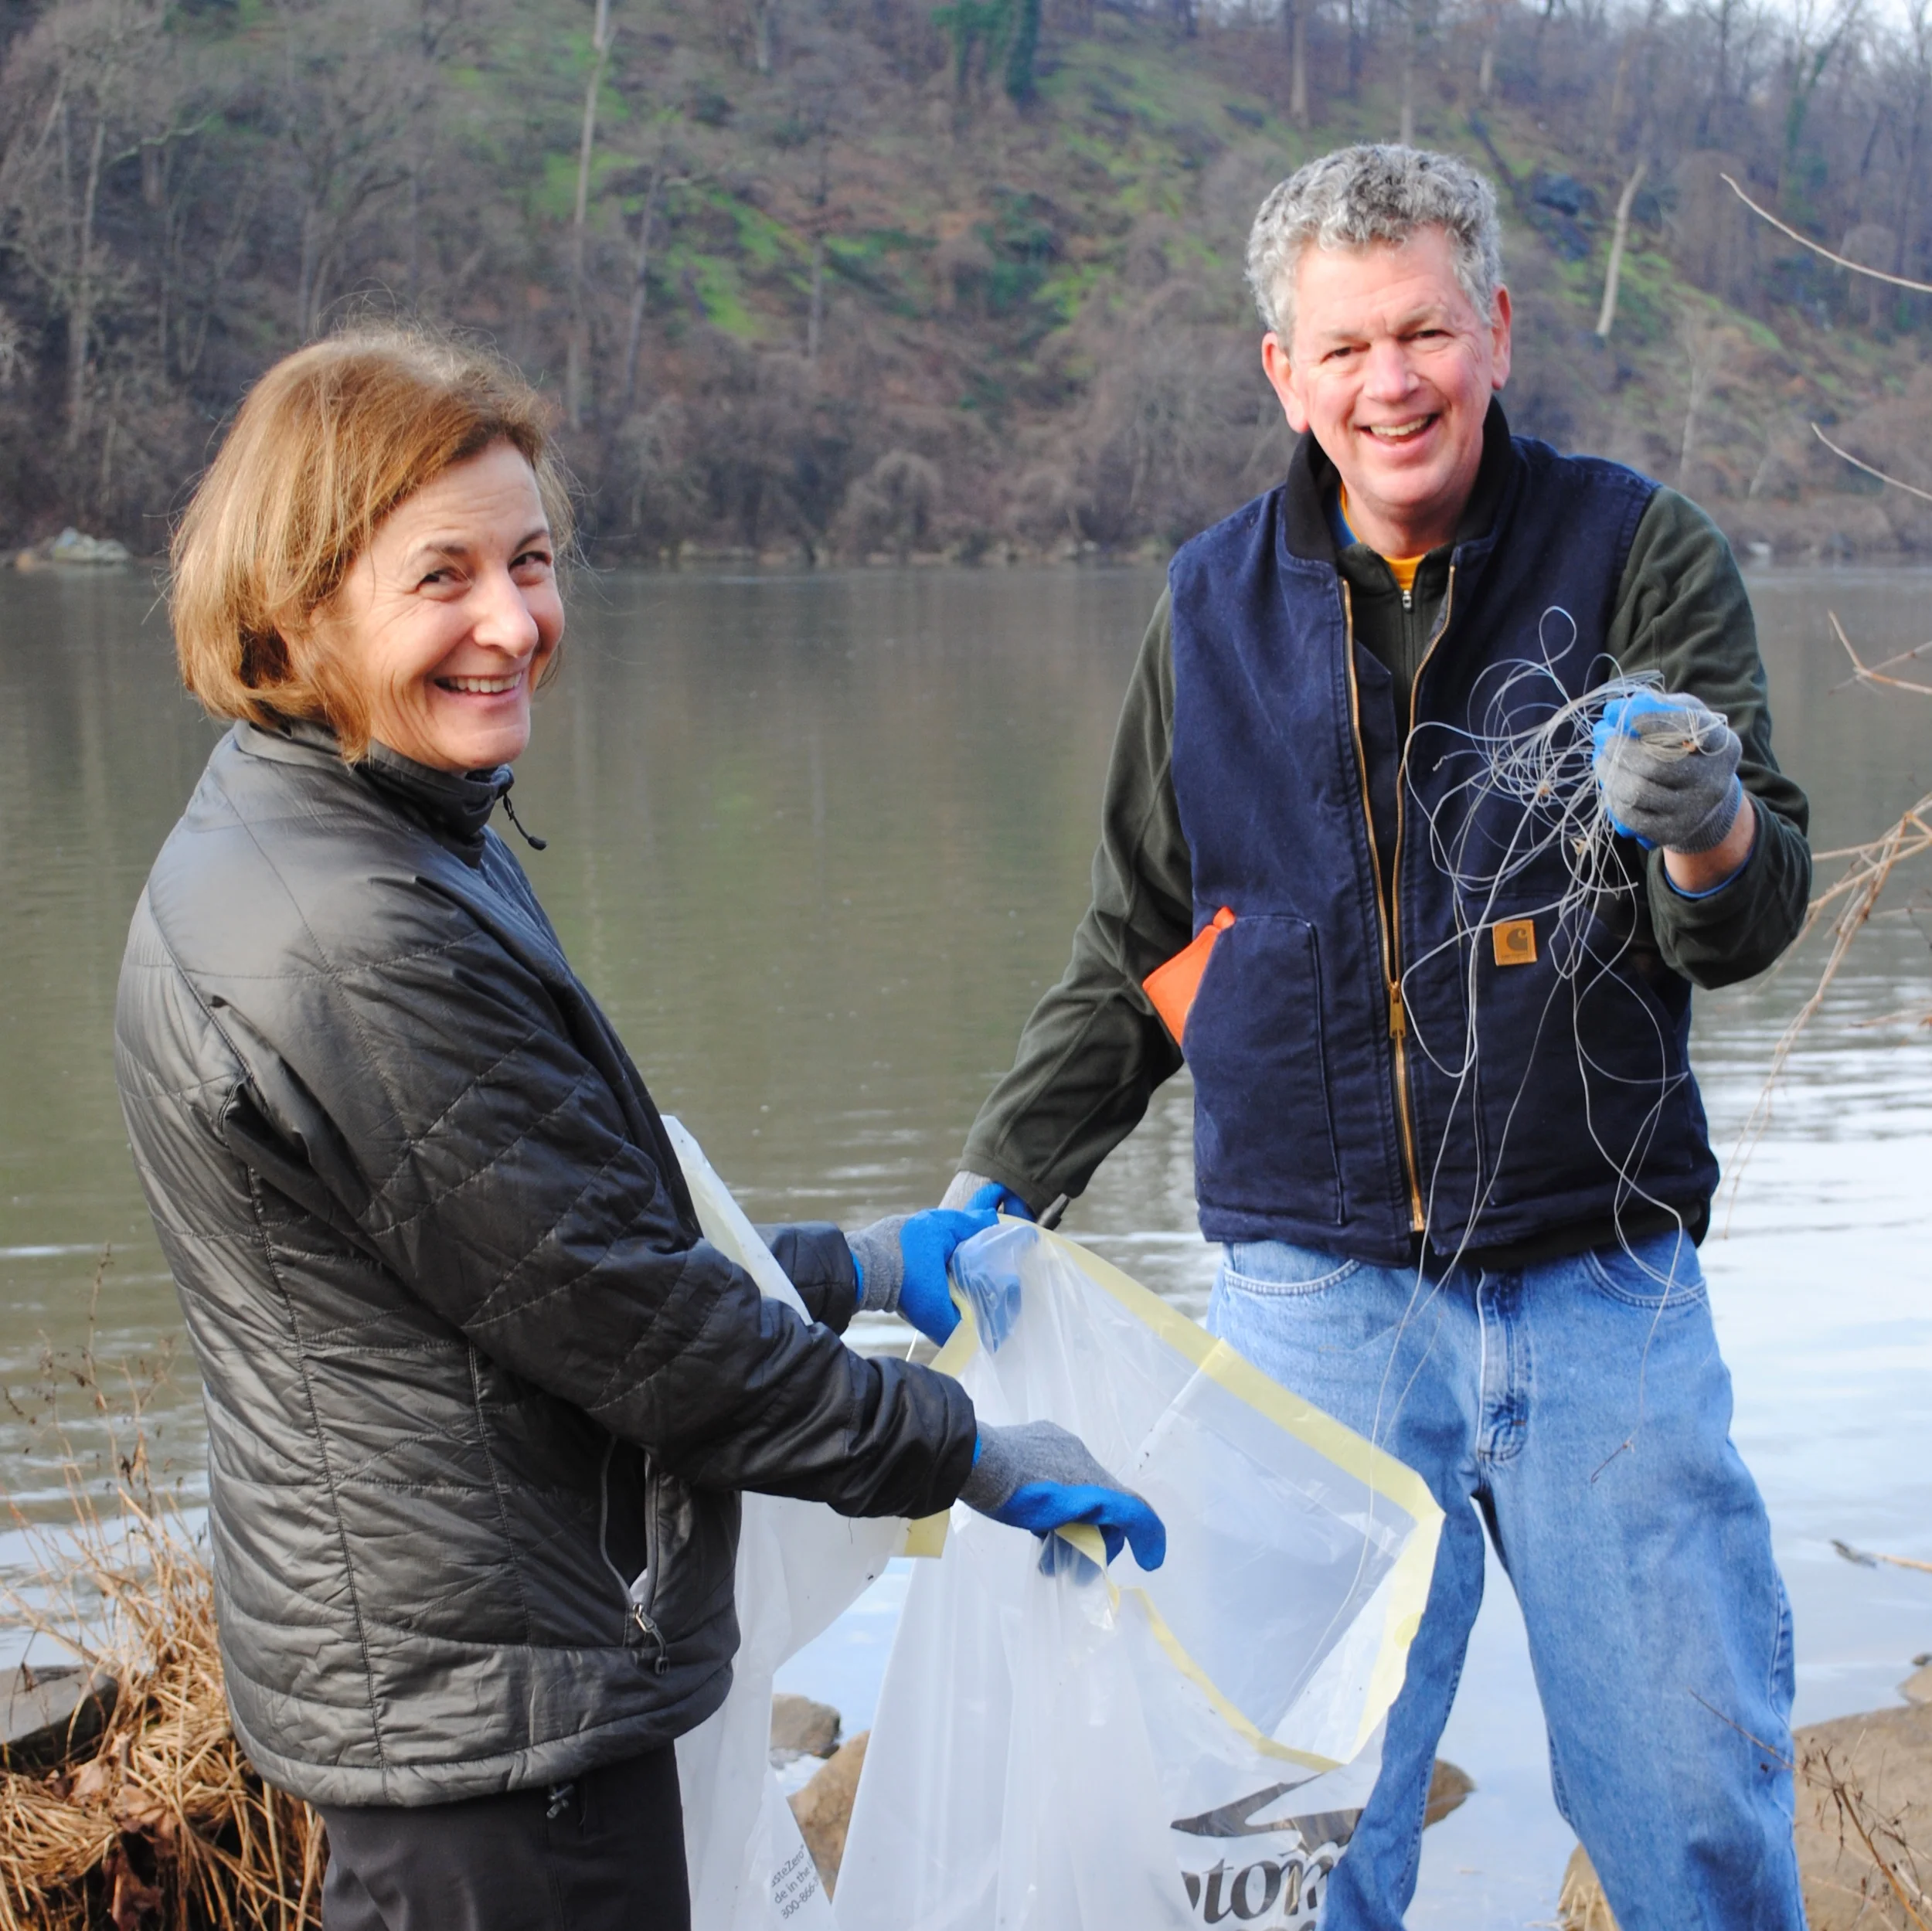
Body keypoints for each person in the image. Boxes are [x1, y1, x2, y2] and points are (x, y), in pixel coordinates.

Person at [114, 328, 1165, 1931]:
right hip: (491, 1709)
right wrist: (959, 1451)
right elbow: (633, 1320)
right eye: (441, 576)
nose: (511, 622)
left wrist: (851, 1264)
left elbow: (532, 1243)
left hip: (459, 1670)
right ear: (297, 601)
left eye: (530, 563)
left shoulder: (363, 816)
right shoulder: (349, 929)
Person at [943, 147, 1811, 1929]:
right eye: (1341, 347)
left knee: (1692, 1821)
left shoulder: (1638, 552)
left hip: (1603, 1297)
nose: (1387, 381)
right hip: (1311, 1311)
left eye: (1422, 329)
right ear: (1281, 370)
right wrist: (991, 1188)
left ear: (1494, 328)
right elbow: (1149, 954)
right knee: (1293, 1840)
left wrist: (1707, 824)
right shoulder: (1205, 608)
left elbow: (1732, 925)